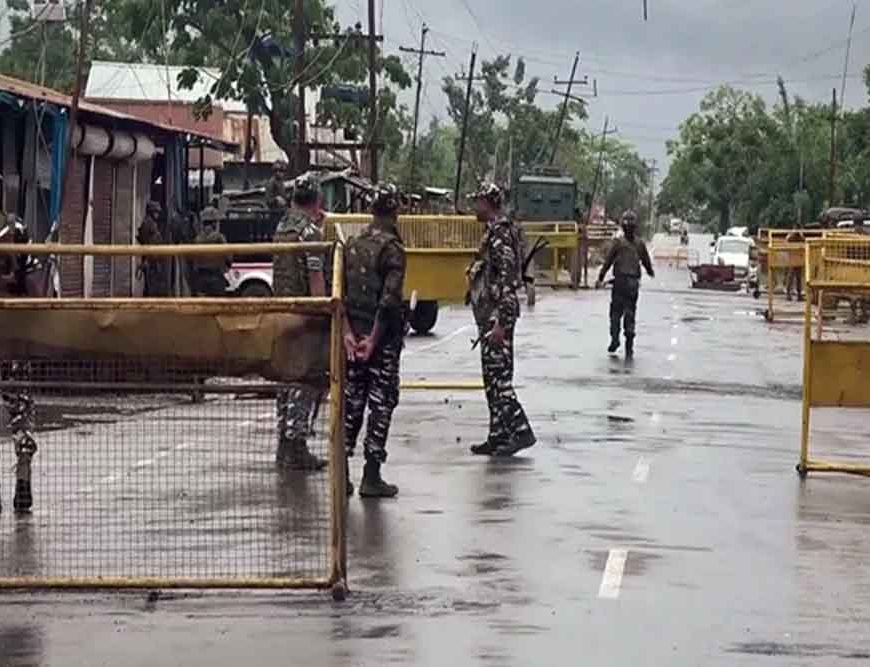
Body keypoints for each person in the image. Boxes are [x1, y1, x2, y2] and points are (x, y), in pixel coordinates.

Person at [343, 184, 406, 497]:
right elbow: (390, 299)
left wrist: (348, 333)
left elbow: (340, 293)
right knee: (381, 404)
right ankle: (371, 475)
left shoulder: (353, 244)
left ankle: (341, 474)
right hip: (380, 342)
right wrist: (374, 338)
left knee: (351, 402)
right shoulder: (392, 249)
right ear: (395, 211)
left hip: (353, 339)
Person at [466, 182, 536, 458]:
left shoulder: (501, 235)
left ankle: (521, 431)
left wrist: (501, 324)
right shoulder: (492, 232)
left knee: (500, 379)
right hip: (488, 315)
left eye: (477, 201)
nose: (474, 206)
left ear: (488, 203)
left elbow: (507, 282)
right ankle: (498, 435)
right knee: (490, 379)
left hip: (498, 316)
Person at [272, 175, 328, 471]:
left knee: (285, 379)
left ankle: (284, 443)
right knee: (305, 380)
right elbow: (316, 278)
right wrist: (323, 312)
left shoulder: (282, 228)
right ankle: (297, 446)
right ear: (317, 200)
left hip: (281, 313)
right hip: (305, 317)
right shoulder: (310, 233)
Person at [0, 215, 38, 512]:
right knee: (20, 420)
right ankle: (21, 484)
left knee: (22, 422)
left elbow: (38, 298)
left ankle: (23, 484)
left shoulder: (29, 268)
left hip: (16, 355)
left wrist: (19, 277)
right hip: (12, 352)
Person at [596, 210, 655, 359]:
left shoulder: (618, 243)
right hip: (632, 285)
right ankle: (629, 344)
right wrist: (650, 272)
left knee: (616, 313)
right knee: (630, 313)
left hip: (620, 283)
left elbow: (608, 262)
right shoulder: (639, 244)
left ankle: (615, 338)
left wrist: (601, 277)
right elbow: (646, 262)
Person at [192, 207, 232, 296]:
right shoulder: (219, 238)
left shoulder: (197, 239)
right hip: (216, 277)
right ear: (214, 223)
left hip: (201, 278)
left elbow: (194, 261)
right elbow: (228, 257)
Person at [137, 201, 169, 296]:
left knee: (152, 285)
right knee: (151, 286)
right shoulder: (147, 223)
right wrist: (146, 259)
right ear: (151, 211)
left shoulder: (151, 223)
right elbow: (146, 242)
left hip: (154, 259)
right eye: (156, 212)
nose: (157, 214)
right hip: (150, 259)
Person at [785, 229, 805, 302]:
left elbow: (787, 240)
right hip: (795, 257)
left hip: (796, 257)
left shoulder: (795, 237)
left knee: (794, 277)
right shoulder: (795, 237)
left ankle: (794, 294)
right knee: (794, 277)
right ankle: (793, 294)